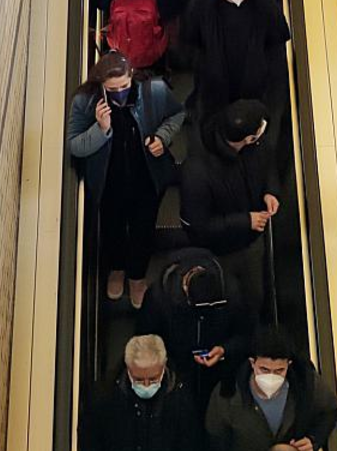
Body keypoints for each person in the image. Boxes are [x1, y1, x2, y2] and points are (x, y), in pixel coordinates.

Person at [67, 51, 186, 308]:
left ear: (132, 76)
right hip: (109, 183)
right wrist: (101, 130)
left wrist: (162, 138)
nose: (120, 92)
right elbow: (75, 145)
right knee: (113, 230)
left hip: (147, 180)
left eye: (124, 85)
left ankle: (137, 277)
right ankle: (117, 269)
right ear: (100, 84)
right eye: (112, 88)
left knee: (143, 230)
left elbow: (177, 115)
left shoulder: (153, 91)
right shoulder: (85, 102)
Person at [180, 100, 279, 319]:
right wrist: (246, 220)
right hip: (219, 250)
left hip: (250, 239)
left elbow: (268, 166)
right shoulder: (197, 171)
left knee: (254, 296)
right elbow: (198, 226)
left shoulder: (256, 147)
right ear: (248, 138)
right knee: (227, 297)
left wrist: (270, 191)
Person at [183, 0, 290, 128]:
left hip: (253, 91)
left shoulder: (266, 6)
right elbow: (191, 44)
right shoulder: (203, 7)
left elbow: (276, 48)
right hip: (215, 91)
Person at [135, 247, 255, 404]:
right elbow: (145, 340)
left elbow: (247, 334)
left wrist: (225, 350)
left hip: (219, 375)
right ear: (185, 289)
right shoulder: (159, 298)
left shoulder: (232, 292)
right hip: (175, 371)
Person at [206, 327, 337, 451]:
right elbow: (216, 439)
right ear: (253, 363)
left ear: (289, 364)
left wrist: (314, 439)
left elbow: (330, 410)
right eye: (264, 369)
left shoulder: (305, 383)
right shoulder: (227, 393)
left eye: (279, 370)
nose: (271, 376)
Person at [81, 335, 201, 451]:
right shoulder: (103, 398)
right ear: (128, 368)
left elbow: (190, 444)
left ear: (163, 366)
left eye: (153, 379)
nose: (146, 385)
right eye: (139, 380)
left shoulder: (181, 398)